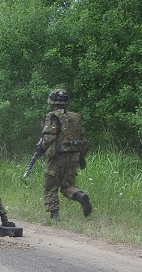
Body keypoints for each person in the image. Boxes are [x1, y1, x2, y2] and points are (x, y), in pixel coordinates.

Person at [37, 89, 92, 220]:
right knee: (68, 185)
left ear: (52, 102)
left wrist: (41, 150)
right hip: (74, 156)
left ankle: (54, 215)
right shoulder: (76, 117)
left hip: (57, 157)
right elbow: (83, 139)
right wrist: (81, 157)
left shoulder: (52, 116)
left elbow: (49, 137)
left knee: (50, 186)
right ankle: (80, 195)